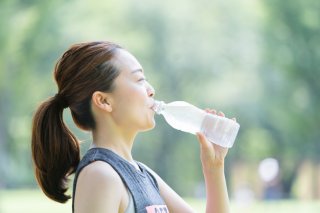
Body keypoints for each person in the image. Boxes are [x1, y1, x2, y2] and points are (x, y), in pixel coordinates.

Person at [31, 41, 231, 213]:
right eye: (139, 79)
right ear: (104, 101)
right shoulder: (100, 175)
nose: (151, 90)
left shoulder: (144, 175)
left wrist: (214, 167)